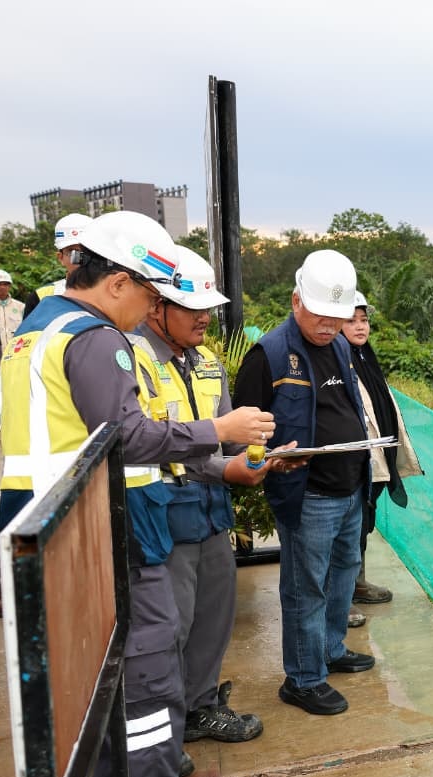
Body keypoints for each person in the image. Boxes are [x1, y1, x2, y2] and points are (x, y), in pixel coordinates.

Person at [0, 210, 275, 777]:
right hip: (100, 529)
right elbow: (127, 434)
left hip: (50, 527)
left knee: (93, 680)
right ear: (119, 281)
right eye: (150, 294)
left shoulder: (36, 329)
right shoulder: (97, 338)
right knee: (149, 674)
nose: (149, 309)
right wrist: (219, 432)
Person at [132, 246, 296, 750]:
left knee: (212, 619)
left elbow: (222, 448)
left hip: (210, 510)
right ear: (155, 304)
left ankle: (200, 708)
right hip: (162, 512)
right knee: (167, 631)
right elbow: (143, 439)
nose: (204, 317)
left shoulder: (206, 363)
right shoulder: (130, 356)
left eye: (208, 307)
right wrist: (222, 453)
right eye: (191, 307)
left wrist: (252, 465)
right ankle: (162, 740)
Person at [232, 249, 374, 716]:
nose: (331, 326)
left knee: (343, 572)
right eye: (321, 316)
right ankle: (303, 678)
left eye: (338, 316)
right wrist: (266, 461)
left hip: (349, 484)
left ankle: (331, 649)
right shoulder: (269, 355)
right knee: (305, 587)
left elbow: (347, 406)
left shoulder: (337, 345)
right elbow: (246, 430)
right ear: (296, 301)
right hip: (308, 493)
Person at [341, 291, 421, 629]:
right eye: (351, 320)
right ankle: (339, 600)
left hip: (377, 459)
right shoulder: (337, 359)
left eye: (364, 320)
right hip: (353, 462)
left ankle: (356, 583)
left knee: (363, 523)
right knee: (345, 529)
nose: (360, 327)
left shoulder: (363, 355)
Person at [25, 211, 91, 317]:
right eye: (72, 252)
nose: (80, 258)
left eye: (86, 251)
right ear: (60, 257)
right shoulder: (41, 297)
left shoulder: (115, 292)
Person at [0, 269, 23, 353]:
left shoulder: (21, 307)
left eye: (5, 284)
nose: (2, 287)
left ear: (10, 286)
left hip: (16, 352)